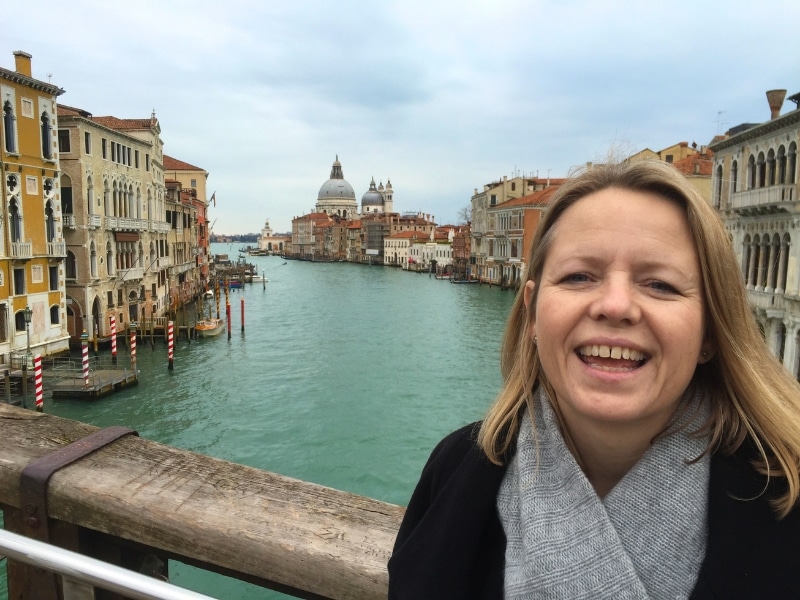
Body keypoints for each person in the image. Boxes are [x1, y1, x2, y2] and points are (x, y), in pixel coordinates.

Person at [387, 160, 800, 599]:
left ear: (710, 332)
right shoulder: (453, 472)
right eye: (579, 276)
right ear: (532, 312)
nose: (615, 305)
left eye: (660, 284)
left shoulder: (786, 497)